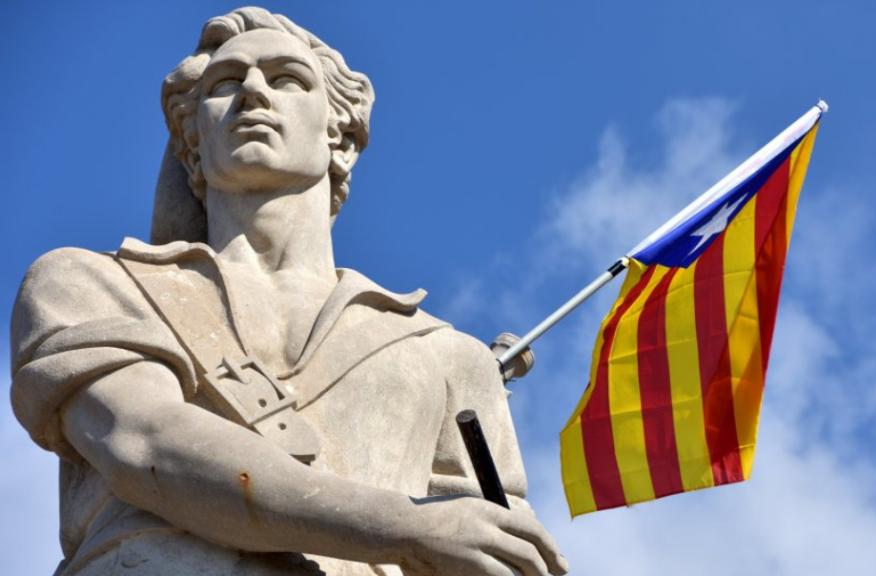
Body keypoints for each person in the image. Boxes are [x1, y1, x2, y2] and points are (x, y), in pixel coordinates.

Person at [10, 7, 567, 576]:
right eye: (224, 85)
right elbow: (144, 442)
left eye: (286, 79)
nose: (252, 92)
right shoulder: (93, 285)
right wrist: (410, 525)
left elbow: (500, 550)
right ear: (193, 143)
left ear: (341, 138)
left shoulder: (449, 359)